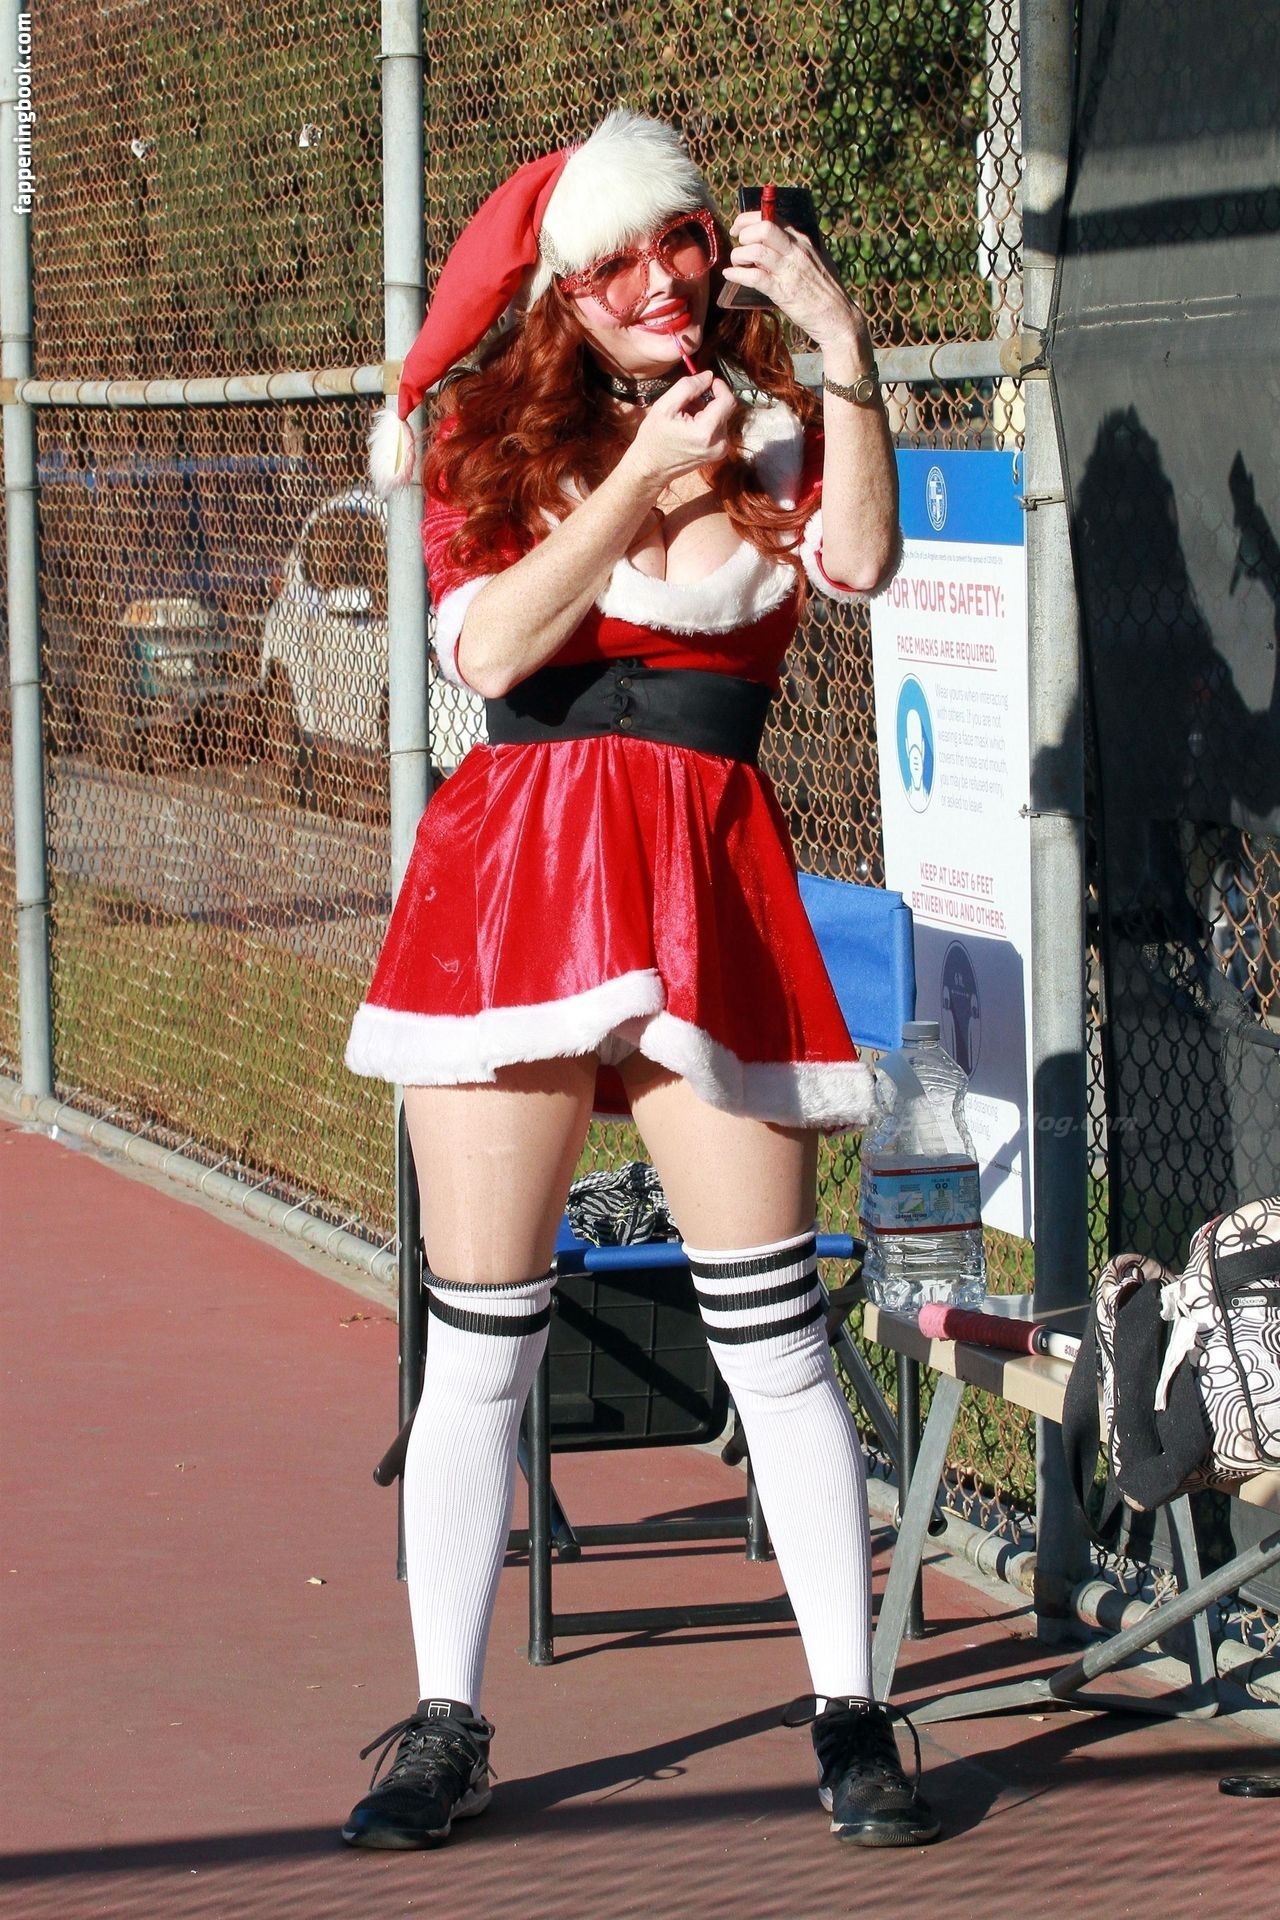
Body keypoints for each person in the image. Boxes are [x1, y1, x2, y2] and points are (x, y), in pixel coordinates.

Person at [342, 108, 940, 1852]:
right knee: (484, 1336)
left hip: (704, 886)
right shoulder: (485, 434)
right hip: (512, 884)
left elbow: (863, 563)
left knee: (774, 1329)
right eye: (615, 263)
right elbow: (494, 648)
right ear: (564, 290)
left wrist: (839, 344)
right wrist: (627, 488)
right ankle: (444, 1723)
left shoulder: (771, 420)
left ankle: (851, 1716)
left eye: (678, 242)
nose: (660, 281)